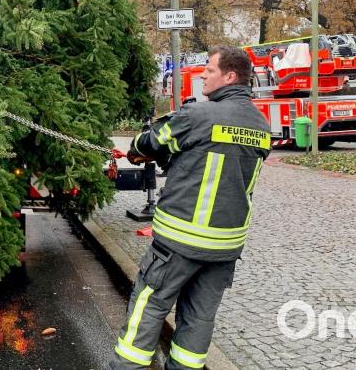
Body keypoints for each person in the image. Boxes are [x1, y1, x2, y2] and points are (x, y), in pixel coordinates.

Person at [112, 46, 271, 370]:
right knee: (199, 318)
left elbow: (149, 143)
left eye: (209, 70)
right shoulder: (261, 125)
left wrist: (138, 152)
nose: (201, 74)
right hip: (225, 247)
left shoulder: (199, 115)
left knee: (150, 304)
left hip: (179, 241)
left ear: (229, 76)